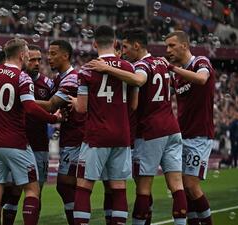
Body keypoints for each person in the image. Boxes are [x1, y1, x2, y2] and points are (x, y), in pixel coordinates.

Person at [87, 28, 187, 225]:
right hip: (172, 128)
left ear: (137, 45)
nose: (122, 51)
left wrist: (107, 68)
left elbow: (139, 81)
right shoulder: (160, 62)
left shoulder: (141, 65)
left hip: (150, 131)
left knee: (143, 188)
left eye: (124, 47)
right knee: (177, 185)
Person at [0, 38, 61, 225]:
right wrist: (54, 119)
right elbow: (31, 108)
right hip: (15, 143)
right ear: (21, 55)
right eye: (27, 54)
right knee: (32, 189)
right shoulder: (22, 77)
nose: (28, 57)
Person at [70, 25, 137, 225]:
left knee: (84, 186)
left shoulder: (87, 69)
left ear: (95, 43)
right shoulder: (129, 68)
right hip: (122, 135)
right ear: (115, 43)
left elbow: (81, 109)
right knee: (118, 188)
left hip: (96, 135)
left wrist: (73, 102)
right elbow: (133, 105)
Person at [165, 30, 215, 225]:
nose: (168, 50)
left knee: (191, 185)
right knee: (184, 189)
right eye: (166, 46)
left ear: (184, 45)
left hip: (200, 135)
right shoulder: (177, 77)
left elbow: (202, 79)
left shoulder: (200, 62)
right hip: (181, 135)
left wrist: (173, 68)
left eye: (172, 45)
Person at [36, 40, 85, 225]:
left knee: (68, 185)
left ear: (65, 56)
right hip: (69, 137)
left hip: (77, 138)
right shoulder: (59, 79)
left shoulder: (72, 78)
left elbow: (50, 105)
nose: (49, 58)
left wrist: (21, 100)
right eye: (48, 53)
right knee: (67, 186)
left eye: (53, 53)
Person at [25, 44, 55, 213]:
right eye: (32, 59)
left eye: (39, 59)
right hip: (17, 143)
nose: (36, 63)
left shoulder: (47, 84)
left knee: (37, 192)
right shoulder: (15, 80)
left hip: (39, 144)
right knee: (10, 192)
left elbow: (56, 106)